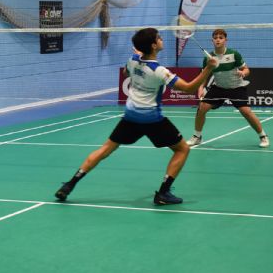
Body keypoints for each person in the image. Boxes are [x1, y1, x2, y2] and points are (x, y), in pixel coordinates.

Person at [54, 28, 218, 205]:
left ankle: (69, 185)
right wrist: (208, 68)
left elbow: (126, 73)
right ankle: (163, 193)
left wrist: (138, 58)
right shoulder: (160, 71)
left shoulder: (132, 61)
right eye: (159, 38)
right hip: (153, 119)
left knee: (104, 150)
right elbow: (189, 88)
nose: (162, 39)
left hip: (130, 117)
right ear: (154, 45)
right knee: (182, 149)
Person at [186, 29, 270, 148]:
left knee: (246, 111)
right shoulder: (208, 58)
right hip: (219, 87)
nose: (218, 39)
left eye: (221, 37)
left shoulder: (234, 54)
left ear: (225, 40)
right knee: (202, 108)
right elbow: (204, 76)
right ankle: (197, 136)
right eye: (215, 37)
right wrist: (201, 87)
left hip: (236, 87)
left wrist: (243, 73)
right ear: (212, 40)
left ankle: (263, 136)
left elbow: (247, 69)